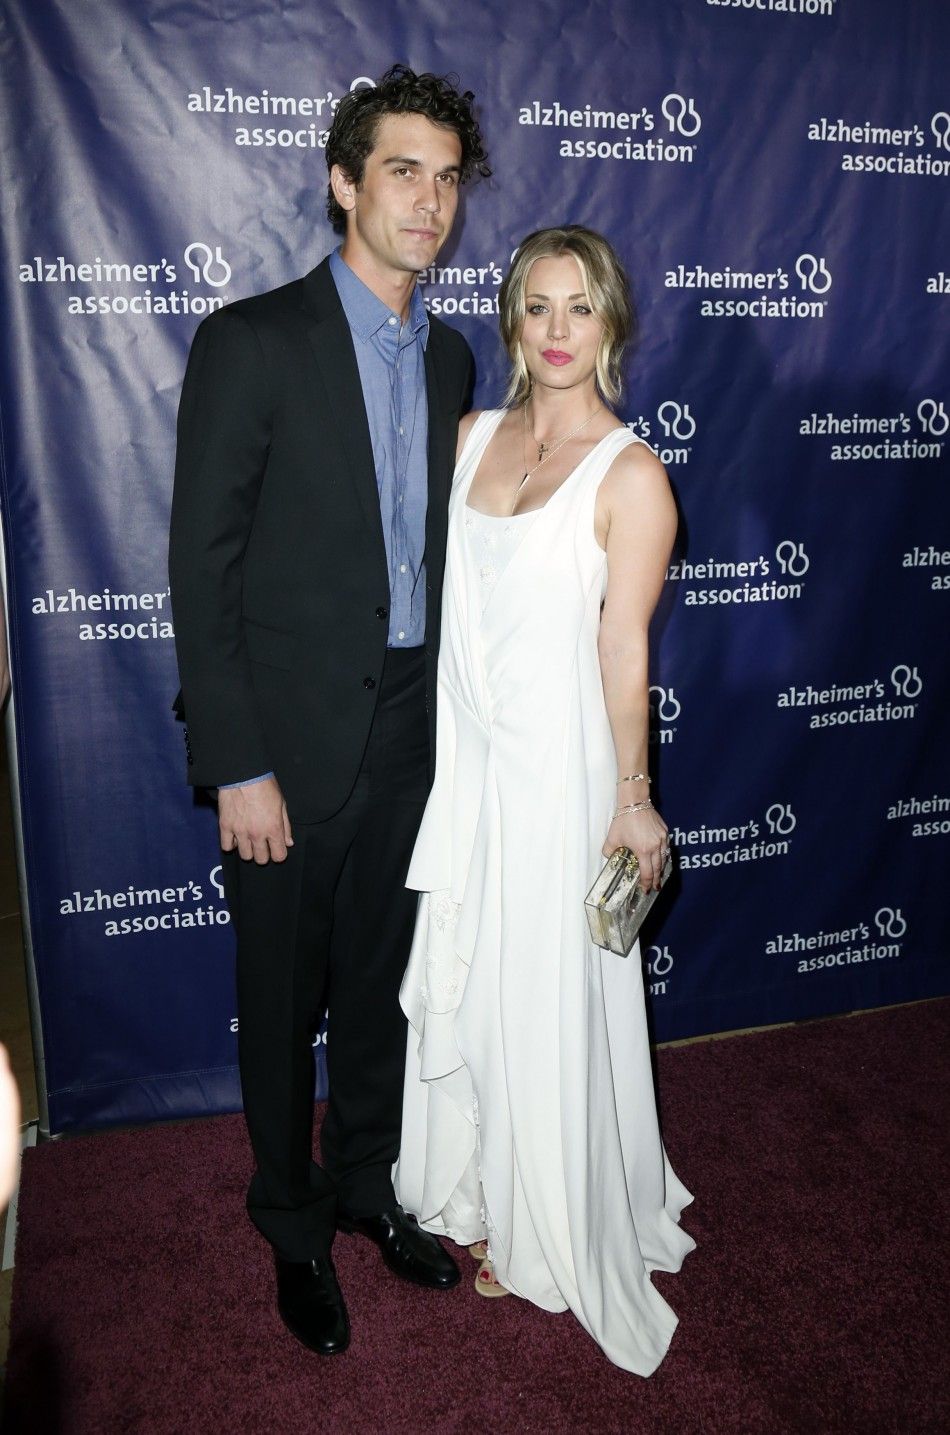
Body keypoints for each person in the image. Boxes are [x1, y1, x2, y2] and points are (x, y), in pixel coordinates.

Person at [168, 65, 489, 1357]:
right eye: (401, 171)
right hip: (285, 747)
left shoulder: (458, 352)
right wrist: (235, 758)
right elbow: (204, 565)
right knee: (280, 984)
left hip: (414, 727)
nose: (429, 200)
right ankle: (292, 1226)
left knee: (378, 988)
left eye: (448, 176)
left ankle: (366, 1188)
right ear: (344, 183)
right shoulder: (251, 341)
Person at [394, 226, 695, 1376]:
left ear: (610, 323)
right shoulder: (472, 436)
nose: (558, 332)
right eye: (537, 308)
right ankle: (468, 1177)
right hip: (465, 764)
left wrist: (633, 800)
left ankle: (544, 1211)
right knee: (469, 972)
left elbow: (624, 648)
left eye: (580, 308)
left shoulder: (632, 475)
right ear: (513, 320)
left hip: (559, 771)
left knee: (538, 988)